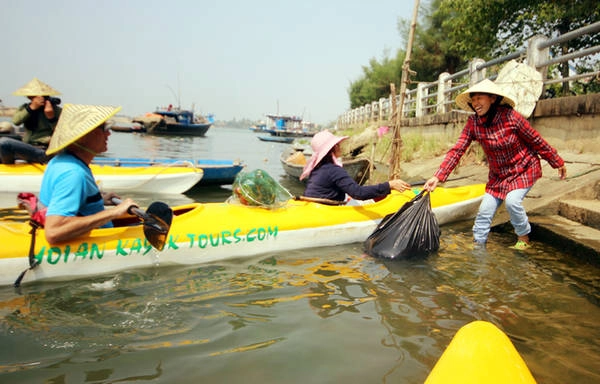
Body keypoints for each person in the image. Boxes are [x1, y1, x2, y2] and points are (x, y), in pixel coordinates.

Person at [423, 79, 567, 250]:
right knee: (484, 211)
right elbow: (457, 150)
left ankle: (524, 238)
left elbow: (535, 140)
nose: (476, 103)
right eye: (473, 99)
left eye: (480, 98)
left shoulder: (511, 117)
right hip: (499, 176)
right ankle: (478, 248)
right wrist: (438, 176)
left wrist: (556, 161)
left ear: (492, 98)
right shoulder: (473, 124)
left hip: (524, 169)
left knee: (512, 202)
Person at [39, 104, 137, 245]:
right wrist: (114, 212)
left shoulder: (61, 160)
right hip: (94, 242)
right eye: (104, 129)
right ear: (83, 136)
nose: (108, 134)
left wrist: (99, 200)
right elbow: (54, 232)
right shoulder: (74, 174)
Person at [300, 130, 411, 203]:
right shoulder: (334, 170)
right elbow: (359, 193)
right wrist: (389, 185)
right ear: (332, 149)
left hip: (316, 206)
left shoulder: (318, 168)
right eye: (337, 145)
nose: (340, 147)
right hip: (326, 212)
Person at [2, 78, 63, 163]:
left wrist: (51, 117)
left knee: (4, 143)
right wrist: (31, 108)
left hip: (44, 150)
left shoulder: (56, 110)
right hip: (27, 146)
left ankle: (8, 167)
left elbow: (61, 133)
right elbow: (16, 121)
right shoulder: (25, 108)